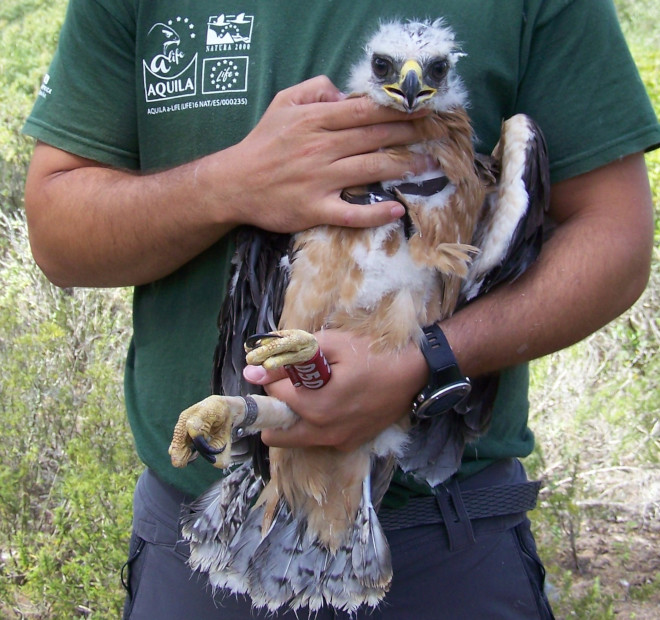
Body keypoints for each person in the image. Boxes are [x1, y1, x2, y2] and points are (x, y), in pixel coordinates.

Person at [23, 1, 658, 618]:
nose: (410, 85)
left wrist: (431, 360)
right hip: (201, 520)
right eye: (390, 70)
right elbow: (57, 236)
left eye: (432, 72)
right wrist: (229, 186)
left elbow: (617, 239)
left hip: (445, 538)